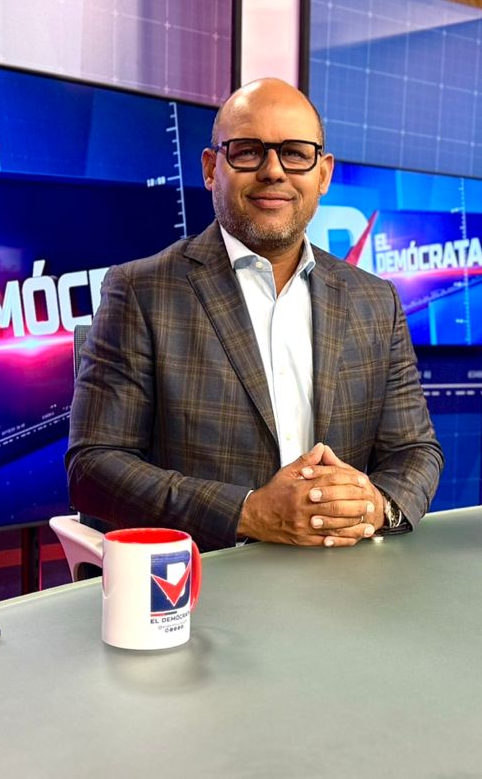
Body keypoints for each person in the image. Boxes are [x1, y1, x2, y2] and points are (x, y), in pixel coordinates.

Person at [66, 78, 442, 551]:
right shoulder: (141, 290)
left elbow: (414, 450)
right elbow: (94, 467)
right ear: (211, 168)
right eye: (248, 151)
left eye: (296, 153)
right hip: (205, 580)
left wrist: (376, 505)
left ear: (323, 174)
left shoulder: (375, 300)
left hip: (344, 575)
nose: (273, 171)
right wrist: (249, 513)